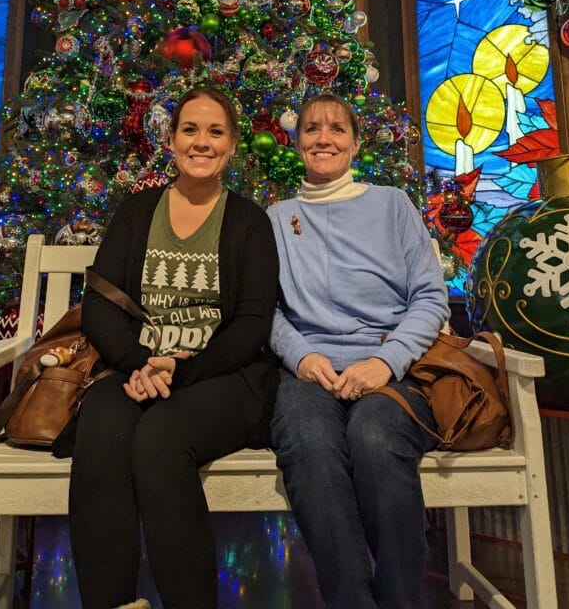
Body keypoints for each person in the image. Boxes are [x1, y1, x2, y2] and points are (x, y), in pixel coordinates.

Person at [69, 86, 279, 609]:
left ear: (231, 146)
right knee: (103, 427)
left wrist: (182, 372)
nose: (201, 142)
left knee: (160, 438)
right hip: (137, 368)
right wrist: (140, 363)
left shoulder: (251, 222)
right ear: (171, 140)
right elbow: (99, 304)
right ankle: (113, 603)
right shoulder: (138, 211)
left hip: (224, 379)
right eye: (190, 129)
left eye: (215, 132)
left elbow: (253, 323)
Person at [268, 93, 449, 609]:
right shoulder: (277, 218)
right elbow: (264, 310)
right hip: (310, 371)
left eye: (336, 129)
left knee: (374, 437)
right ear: (296, 140)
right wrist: (300, 354)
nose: (323, 138)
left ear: (355, 142)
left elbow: (430, 297)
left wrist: (385, 362)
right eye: (311, 129)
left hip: (391, 365)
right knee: (307, 442)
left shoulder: (393, 204)